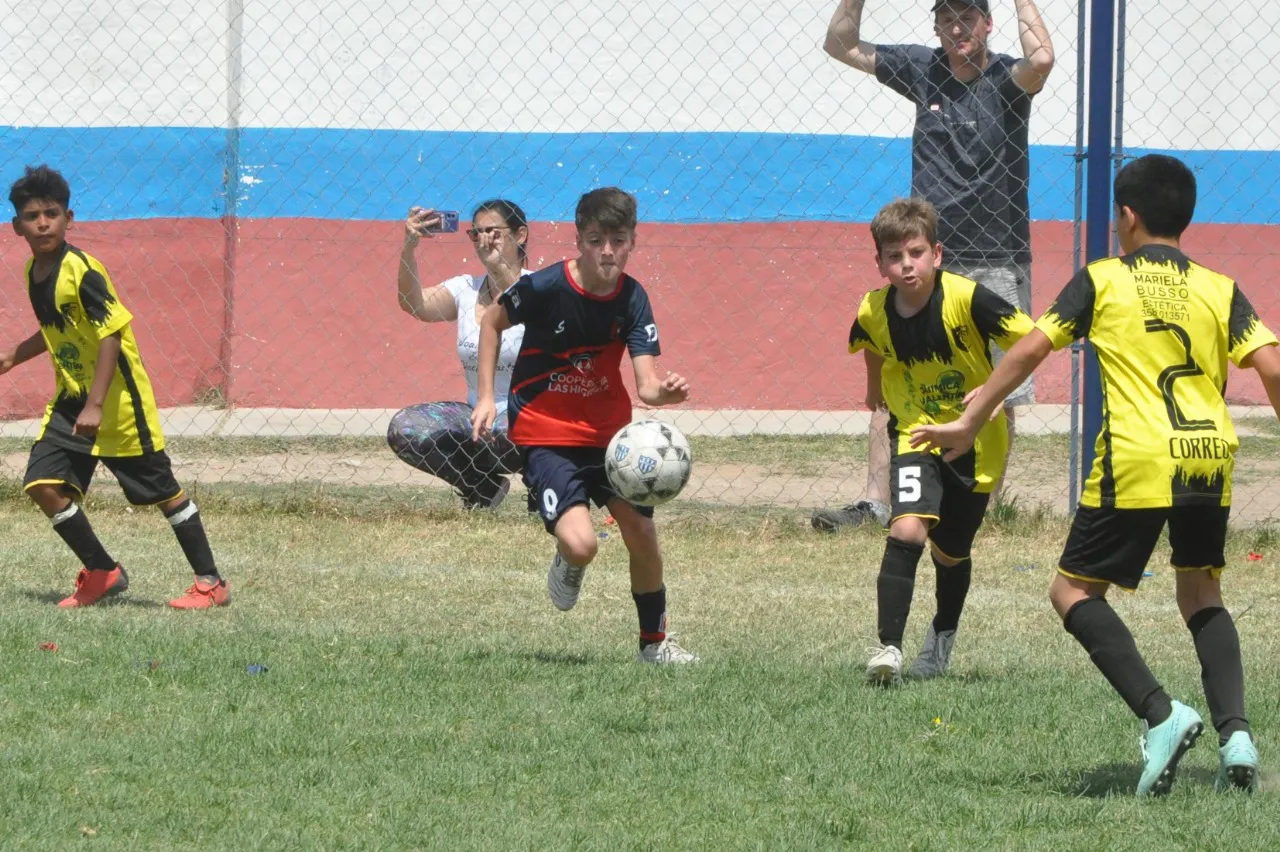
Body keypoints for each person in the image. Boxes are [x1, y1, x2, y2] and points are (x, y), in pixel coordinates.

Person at [910, 154, 1273, 796]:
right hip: (1208, 456)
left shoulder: (1103, 280)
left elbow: (1029, 347)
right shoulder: (1219, 286)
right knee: (1201, 592)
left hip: (1137, 457)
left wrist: (975, 416)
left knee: (1072, 592)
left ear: (1126, 218)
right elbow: (1270, 366)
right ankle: (1237, 736)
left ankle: (1162, 716)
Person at [815, 0, 1054, 531]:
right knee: (895, 372)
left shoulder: (1008, 79)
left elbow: (1042, 61)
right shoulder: (922, 69)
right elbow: (840, 45)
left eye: (968, 16)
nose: (956, 27)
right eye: (946, 17)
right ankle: (878, 503)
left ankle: (979, 506)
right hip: (928, 255)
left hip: (997, 253)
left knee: (1001, 386)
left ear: (987, 24)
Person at [470, 187, 696, 664]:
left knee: (641, 533)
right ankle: (569, 560)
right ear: (579, 240)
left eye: (618, 239)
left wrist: (664, 393)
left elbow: (647, 385)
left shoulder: (633, 299)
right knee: (582, 545)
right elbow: (491, 323)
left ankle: (654, 647)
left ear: (633, 240)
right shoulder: (546, 287)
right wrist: (488, 397)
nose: (608, 251)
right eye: (596, 240)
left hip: (610, 443)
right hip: (546, 435)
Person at [1, 165, 228, 608]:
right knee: (41, 484)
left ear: (70, 218)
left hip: (118, 405)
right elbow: (55, 329)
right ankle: (103, 571)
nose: (43, 222)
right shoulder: (33, 271)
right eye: (33, 216)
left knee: (164, 493)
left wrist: (98, 403)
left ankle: (211, 582)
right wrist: (12, 356)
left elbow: (111, 334)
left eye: (52, 213)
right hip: (71, 401)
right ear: (16, 226)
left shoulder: (83, 271)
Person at [848, 198, 1032, 684]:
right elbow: (868, 342)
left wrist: (994, 395)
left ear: (937, 254)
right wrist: (873, 391)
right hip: (917, 431)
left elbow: (1031, 341)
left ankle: (943, 634)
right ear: (880, 263)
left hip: (975, 440)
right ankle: (888, 647)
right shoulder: (872, 308)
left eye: (915, 252)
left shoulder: (968, 299)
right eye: (894, 256)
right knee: (906, 529)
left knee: (950, 551)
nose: (906, 264)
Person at [387, 200, 530, 509]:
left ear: (520, 235)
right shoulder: (465, 289)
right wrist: (410, 247)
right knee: (406, 428)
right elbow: (414, 304)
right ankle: (483, 488)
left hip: (529, 416)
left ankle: (545, 486)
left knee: (513, 433)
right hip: (478, 414)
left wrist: (502, 270)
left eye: (493, 231)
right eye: (476, 233)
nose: (484, 240)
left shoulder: (540, 288)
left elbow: (524, 305)